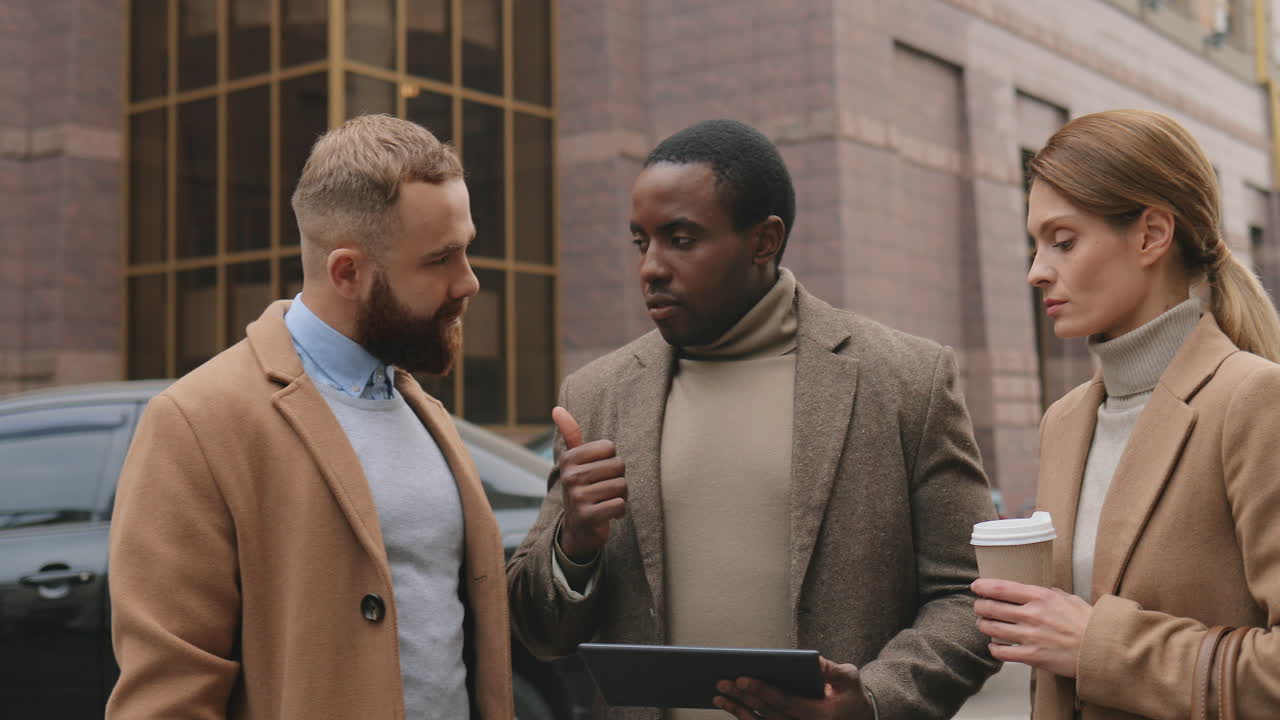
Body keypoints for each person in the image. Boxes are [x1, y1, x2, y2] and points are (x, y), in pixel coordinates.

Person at [507, 119, 1000, 720]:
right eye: (642, 242)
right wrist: (574, 547)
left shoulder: (905, 381)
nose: (651, 268)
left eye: (681, 239)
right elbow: (540, 632)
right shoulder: (596, 394)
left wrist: (872, 702)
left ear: (764, 241)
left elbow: (970, 596)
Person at [106, 115, 513, 719]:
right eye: (440, 259)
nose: (469, 282)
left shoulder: (421, 411)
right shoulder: (195, 421)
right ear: (346, 271)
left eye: (467, 250)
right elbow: (166, 698)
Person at [972, 109, 1280, 719]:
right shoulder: (1063, 423)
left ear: (1151, 235)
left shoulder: (1252, 401)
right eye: (1035, 244)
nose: (1037, 271)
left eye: (1063, 241)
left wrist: (1098, 646)